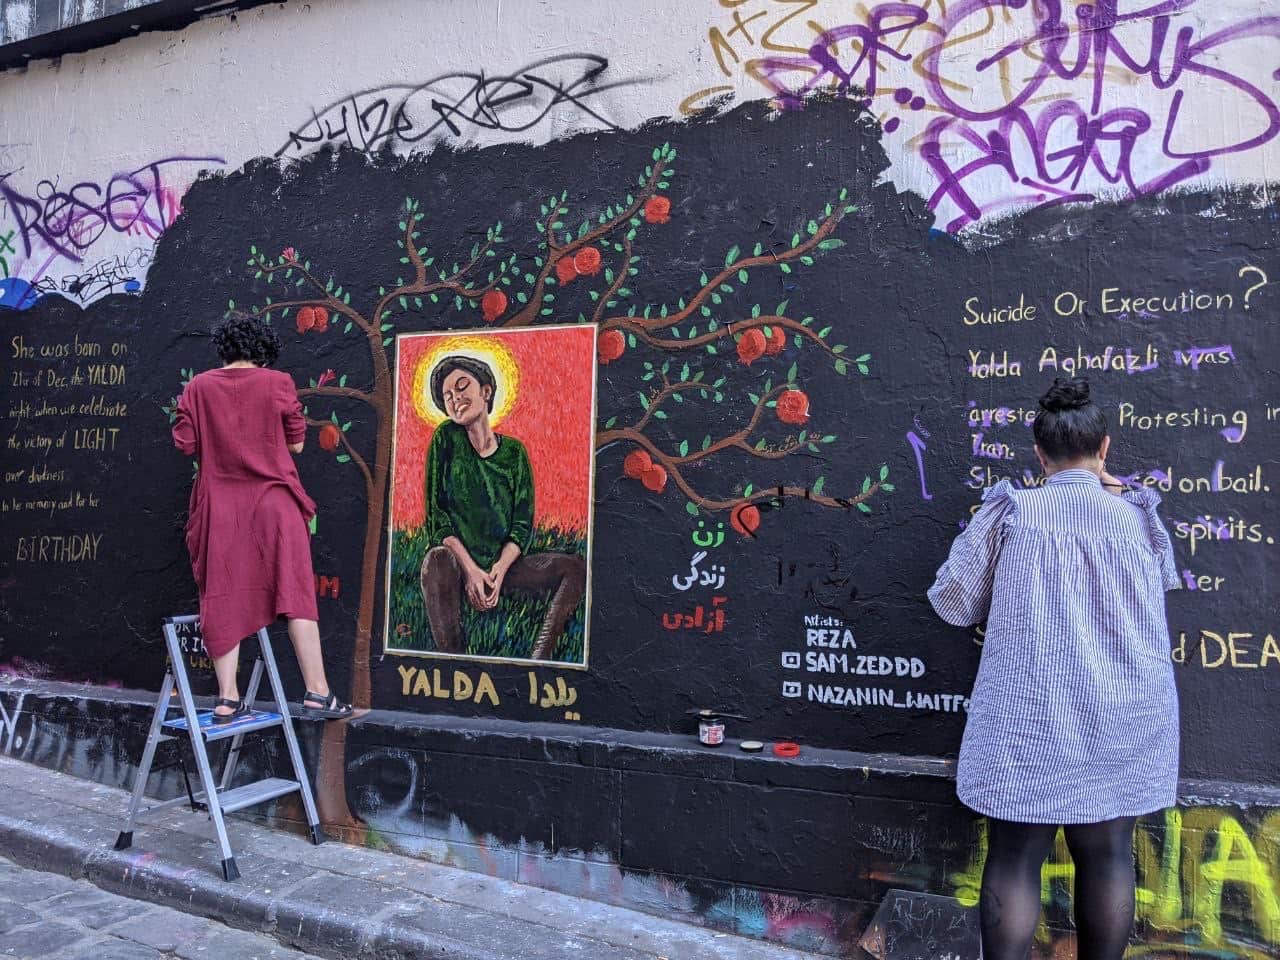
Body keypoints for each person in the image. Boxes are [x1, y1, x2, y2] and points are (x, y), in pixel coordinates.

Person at [927, 377, 1180, 960]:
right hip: (1122, 717)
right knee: (1111, 853)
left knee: (1015, 856)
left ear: (1039, 454)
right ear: (1105, 447)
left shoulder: (1014, 512)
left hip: (1030, 717)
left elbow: (952, 602)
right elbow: (1159, 591)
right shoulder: (1138, 516)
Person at [172, 313, 352, 723]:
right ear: (262, 350)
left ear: (225, 348)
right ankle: (318, 692)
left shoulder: (198, 388)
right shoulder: (278, 383)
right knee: (296, 594)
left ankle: (227, 698)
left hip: (221, 508)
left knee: (221, 594)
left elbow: (184, 444)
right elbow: (298, 444)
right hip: (275, 505)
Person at [420, 355, 586, 661]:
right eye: (448, 396)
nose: (456, 399)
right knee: (436, 560)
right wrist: (472, 572)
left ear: (486, 390)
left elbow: (522, 525)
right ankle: (455, 663)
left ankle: (539, 659)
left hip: (506, 568)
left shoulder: (514, 453)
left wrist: (497, 571)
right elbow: (438, 518)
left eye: (462, 387)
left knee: (575, 567)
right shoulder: (446, 438)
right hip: (460, 566)